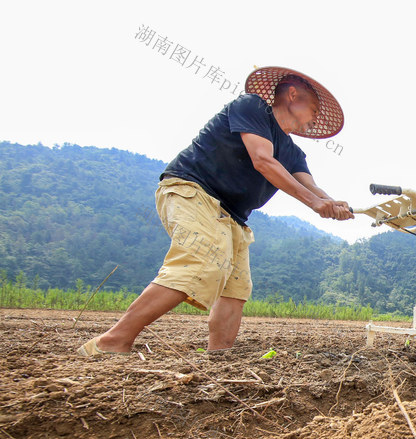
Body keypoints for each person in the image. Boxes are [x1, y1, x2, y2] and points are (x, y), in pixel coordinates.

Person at [77, 66, 353, 356]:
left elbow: (311, 187)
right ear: (293, 95)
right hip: (194, 191)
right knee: (200, 261)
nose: (315, 118)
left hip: (232, 217)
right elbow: (262, 160)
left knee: (236, 287)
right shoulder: (252, 107)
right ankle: (113, 340)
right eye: (314, 109)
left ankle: (219, 355)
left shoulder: (293, 152)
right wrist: (315, 203)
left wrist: (334, 204)